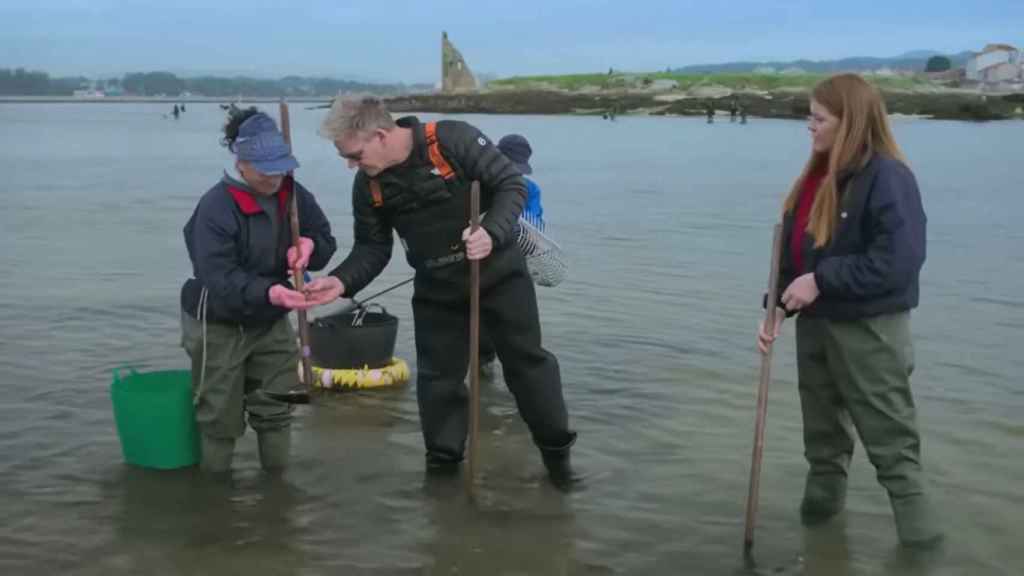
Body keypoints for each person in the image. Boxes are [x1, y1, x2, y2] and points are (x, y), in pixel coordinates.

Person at [304, 98, 578, 488]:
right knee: (437, 383)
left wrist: (491, 233)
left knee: (528, 367)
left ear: (380, 135)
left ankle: (559, 464)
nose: (351, 164)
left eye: (354, 154)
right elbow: (372, 249)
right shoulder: (369, 185)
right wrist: (341, 282)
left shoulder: (452, 139)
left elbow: (511, 186)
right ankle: (442, 476)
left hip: (499, 275)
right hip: (436, 288)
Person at [756, 74, 940, 547]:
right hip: (816, 330)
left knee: (894, 455)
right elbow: (796, 257)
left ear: (850, 123)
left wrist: (821, 280)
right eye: (809, 117)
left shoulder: (888, 177)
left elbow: (898, 264)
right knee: (823, 447)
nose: (808, 127)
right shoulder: (816, 176)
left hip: (870, 333)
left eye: (819, 119)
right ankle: (818, 547)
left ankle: (923, 556)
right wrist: (776, 307)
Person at [180, 106, 336, 473]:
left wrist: (311, 247)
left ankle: (278, 504)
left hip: (270, 322)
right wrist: (273, 292)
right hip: (218, 321)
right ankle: (215, 505)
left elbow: (325, 241)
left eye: (281, 167)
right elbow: (218, 276)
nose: (274, 177)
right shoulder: (216, 206)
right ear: (241, 164)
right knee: (219, 416)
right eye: (265, 170)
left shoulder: (295, 194)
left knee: (277, 407)